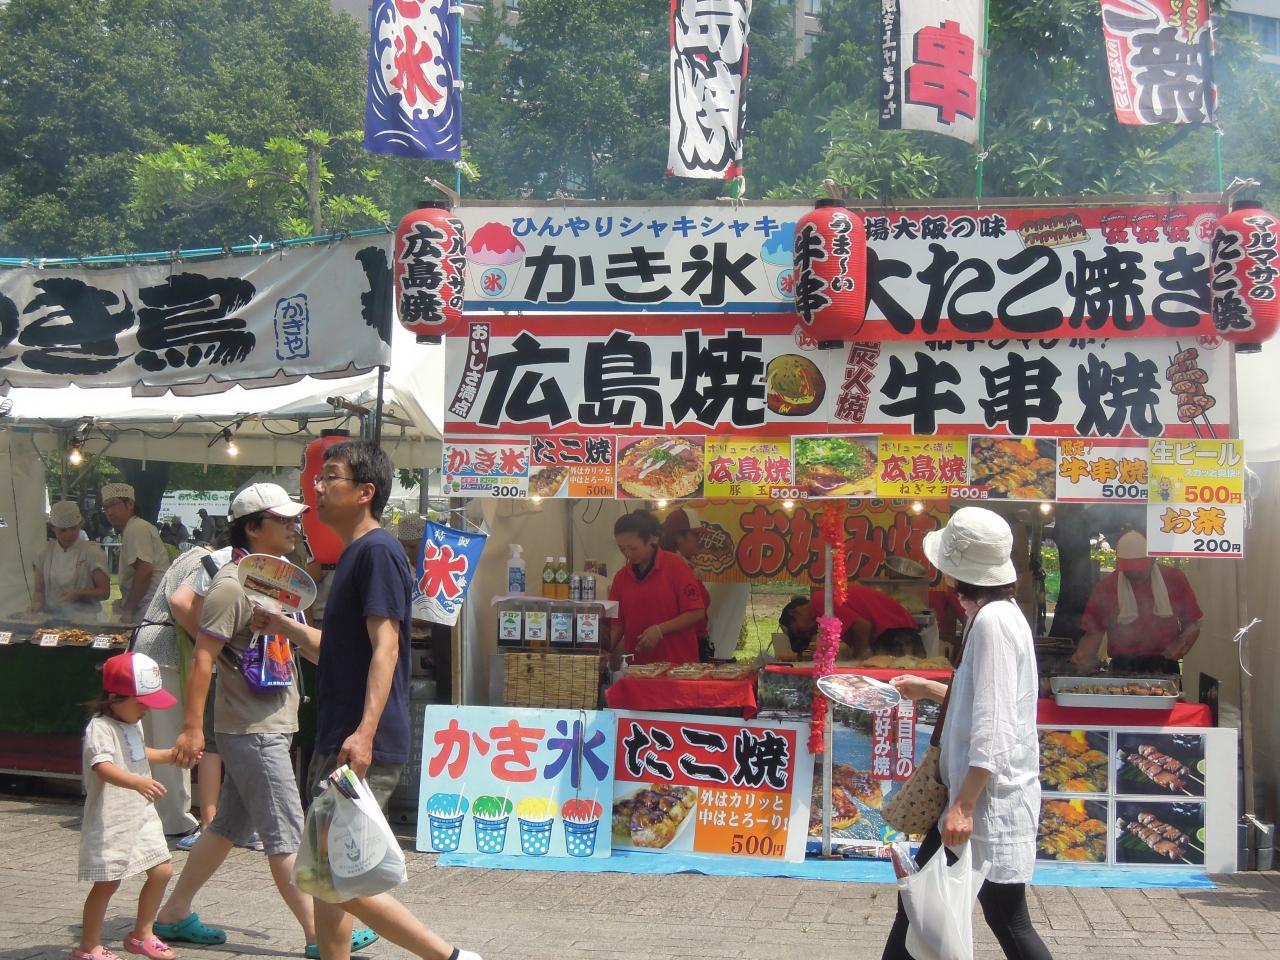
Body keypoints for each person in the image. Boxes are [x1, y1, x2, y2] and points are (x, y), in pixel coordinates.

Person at [253, 441, 482, 960]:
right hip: (341, 735)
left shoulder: (376, 552)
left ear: (365, 492)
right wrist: (285, 626)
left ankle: (449, 956)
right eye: (318, 477)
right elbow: (336, 653)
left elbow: (387, 647)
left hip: (359, 743)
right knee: (325, 877)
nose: (317, 487)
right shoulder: (356, 555)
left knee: (335, 875)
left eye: (330, 477)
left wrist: (365, 732)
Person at [155, 483, 376, 959]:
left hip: (266, 724)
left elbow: (307, 647)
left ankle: (173, 913)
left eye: (295, 518)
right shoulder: (232, 585)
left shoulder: (276, 584)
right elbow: (203, 658)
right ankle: (319, 934)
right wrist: (192, 728)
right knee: (287, 834)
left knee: (226, 827)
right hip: (253, 731)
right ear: (253, 527)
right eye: (284, 520)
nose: (295, 526)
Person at [883, 508, 1050, 960]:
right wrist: (930, 689)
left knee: (1003, 920)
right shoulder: (999, 615)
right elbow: (987, 702)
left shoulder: (993, 622)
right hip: (979, 795)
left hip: (983, 801)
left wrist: (964, 806)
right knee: (922, 904)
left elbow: (994, 723)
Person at [76, 651, 182, 960]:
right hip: (112, 817)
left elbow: (138, 752)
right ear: (114, 698)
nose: (147, 709)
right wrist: (136, 782)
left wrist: (170, 756)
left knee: (162, 870)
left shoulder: (131, 723)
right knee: (108, 882)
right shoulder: (100, 728)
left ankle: (142, 934)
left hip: (142, 815)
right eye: (142, 702)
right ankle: (89, 946)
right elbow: (103, 766)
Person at [132, 538, 234, 838]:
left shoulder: (187, 556)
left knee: (149, 737)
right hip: (166, 652)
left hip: (147, 647)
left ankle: (147, 814)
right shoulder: (210, 562)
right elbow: (180, 603)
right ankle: (175, 819)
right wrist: (209, 641)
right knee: (170, 738)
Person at [1071, 530, 1202, 675]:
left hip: (1164, 665)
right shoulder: (1106, 587)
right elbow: (1093, 633)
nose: (1133, 574)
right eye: (1128, 570)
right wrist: (1082, 658)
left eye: (1138, 570)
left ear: (1152, 560)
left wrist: (1182, 642)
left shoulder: (1174, 579)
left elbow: (1193, 624)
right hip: (1121, 666)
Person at [608, 510, 707, 667]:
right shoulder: (621, 578)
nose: (627, 554)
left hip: (678, 666)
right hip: (638, 668)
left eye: (632, 548)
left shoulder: (676, 566)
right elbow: (616, 626)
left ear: (651, 540)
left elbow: (696, 612)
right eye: (622, 549)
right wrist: (602, 651)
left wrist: (660, 630)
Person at [779, 582, 922, 660]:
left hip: (896, 632)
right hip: (894, 631)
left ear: (795, 612)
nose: (807, 634)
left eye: (799, 631)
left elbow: (863, 626)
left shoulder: (820, 602)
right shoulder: (822, 606)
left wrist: (858, 658)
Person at [101, 483, 171, 623]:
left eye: (114, 504)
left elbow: (145, 571)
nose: (110, 512)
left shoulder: (136, 528)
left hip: (149, 608)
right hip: (149, 607)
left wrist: (128, 609)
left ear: (130, 504)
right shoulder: (133, 528)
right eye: (106, 507)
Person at [29, 500, 110, 620]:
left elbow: (104, 592)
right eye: (63, 530)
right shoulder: (44, 554)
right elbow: (39, 591)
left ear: (80, 525)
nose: (68, 534)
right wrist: (36, 605)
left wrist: (78, 594)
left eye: (73, 529)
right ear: (53, 528)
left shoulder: (92, 553)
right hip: (52, 619)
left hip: (85, 620)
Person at [660, 507, 713, 661]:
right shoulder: (674, 568)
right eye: (696, 536)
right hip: (684, 646)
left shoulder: (686, 566)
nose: (700, 542)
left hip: (692, 642)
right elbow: (695, 611)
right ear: (679, 538)